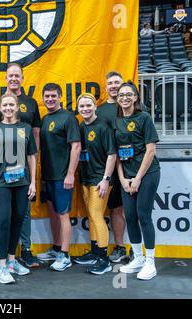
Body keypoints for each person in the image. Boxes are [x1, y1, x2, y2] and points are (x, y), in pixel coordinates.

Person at [0, 63, 42, 268]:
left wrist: (32, 180)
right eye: (10, 75)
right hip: (1, 179)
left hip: (22, 178)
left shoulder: (27, 119)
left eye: (17, 75)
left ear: (22, 77)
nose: (13, 78)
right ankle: (2, 263)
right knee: (3, 220)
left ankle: (17, 257)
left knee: (20, 217)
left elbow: (32, 148)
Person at [0, 93, 37, 284]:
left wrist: (33, 182)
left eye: (11, 105)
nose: (8, 108)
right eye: (5, 105)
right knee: (4, 221)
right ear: (0, 108)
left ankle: (12, 261)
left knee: (17, 220)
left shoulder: (26, 128)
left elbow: (32, 156)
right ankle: (1, 267)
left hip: (22, 183)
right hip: (1, 183)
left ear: (17, 108)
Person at [115, 81, 161, 280]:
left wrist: (138, 179)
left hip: (147, 174)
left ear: (135, 98)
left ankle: (150, 262)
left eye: (128, 95)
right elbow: (116, 155)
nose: (124, 97)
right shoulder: (116, 121)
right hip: (127, 178)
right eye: (121, 95)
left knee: (144, 216)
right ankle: (139, 258)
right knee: (130, 217)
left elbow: (151, 150)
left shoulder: (144, 118)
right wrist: (124, 180)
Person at [36, 83, 81, 272]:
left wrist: (70, 173)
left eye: (53, 96)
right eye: (46, 96)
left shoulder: (69, 118)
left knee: (63, 215)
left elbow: (76, 147)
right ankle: (56, 248)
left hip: (63, 176)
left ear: (60, 97)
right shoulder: (45, 118)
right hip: (48, 175)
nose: (50, 99)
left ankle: (65, 255)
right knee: (53, 214)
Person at [74, 93, 116, 275]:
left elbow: (112, 155)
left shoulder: (103, 127)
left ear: (95, 106)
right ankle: (94, 251)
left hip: (100, 179)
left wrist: (106, 179)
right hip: (85, 178)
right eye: (82, 106)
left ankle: (104, 259)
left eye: (88, 105)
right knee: (91, 216)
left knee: (97, 216)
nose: (85, 109)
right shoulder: (81, 126)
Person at [96, 71, 129, 263]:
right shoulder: (99, 111)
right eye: (111, 83)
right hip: (106, 169)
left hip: (128, 167)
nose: (114, 86)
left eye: (117, 83)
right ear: (106, 87)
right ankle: (107, 247)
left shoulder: (131, 108)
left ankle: (123, 247)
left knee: (124, 210)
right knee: (110, 210)